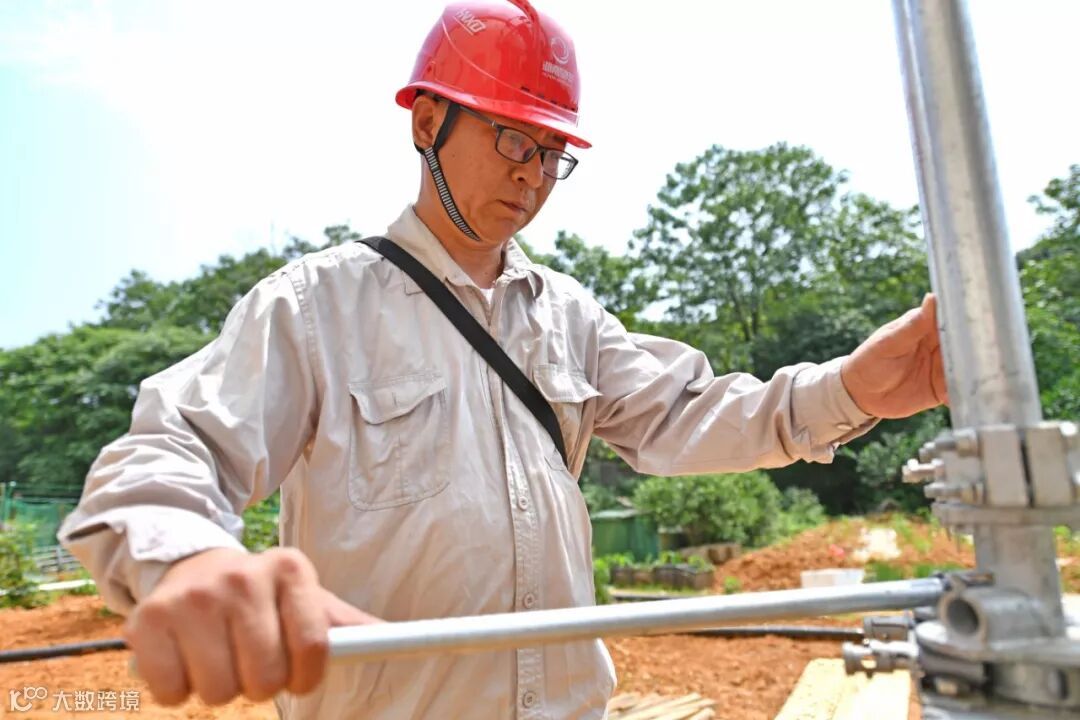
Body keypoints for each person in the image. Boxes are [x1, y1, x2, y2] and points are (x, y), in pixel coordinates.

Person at [59, 1, 947, 717]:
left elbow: (692, 414)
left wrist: (851, 389)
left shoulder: (567, 316)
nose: (533, 174)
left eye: (554, 153)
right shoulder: (316, 307)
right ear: (428, 121)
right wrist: (192, 559)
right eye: (514, 138)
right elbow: (170, 448)